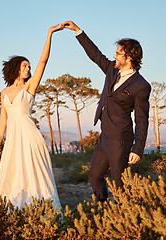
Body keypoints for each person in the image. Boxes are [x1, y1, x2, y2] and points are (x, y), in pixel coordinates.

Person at [63, 21, 151, 202]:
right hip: (104, 137)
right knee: (94, 176)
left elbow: (142, 119)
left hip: (120, 139)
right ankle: (103, 210)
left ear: (130, 57)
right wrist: (78, 31)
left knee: (120, 186)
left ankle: (125, 219)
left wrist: (138, 148)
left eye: (118, 53)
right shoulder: (111, 69)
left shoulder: (141, 86)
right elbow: (95, 54)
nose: (114, 56)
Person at [0, 24, 63, 209]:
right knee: (13, 176)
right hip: (13, 140)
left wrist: (49, 34)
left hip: (30, 138)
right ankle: (14, 214)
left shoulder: (29, 87)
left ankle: (43, 214)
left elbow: (43, 61)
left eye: (29, 67)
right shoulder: (4, 92)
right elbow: (3, 120)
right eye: (25, 66)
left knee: (34, 177)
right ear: (15, 68)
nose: (28, 68)